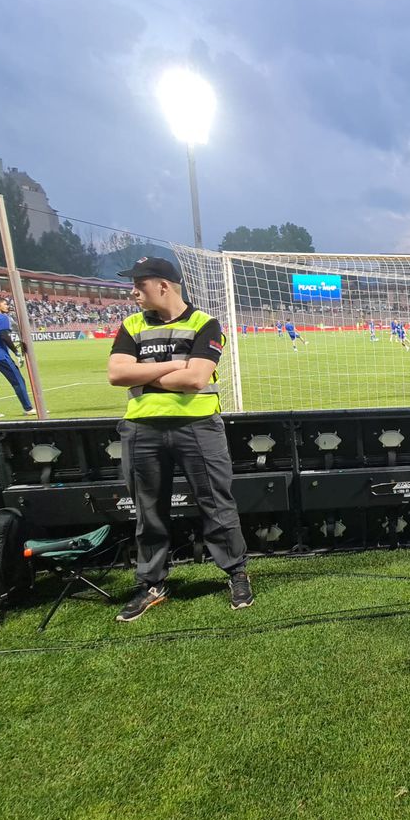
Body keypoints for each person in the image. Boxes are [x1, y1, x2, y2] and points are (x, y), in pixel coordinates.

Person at [107, 256, 253, 621]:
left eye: (139, 285)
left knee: (216, 504)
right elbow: (116, 374)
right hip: (142, 429)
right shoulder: (131, 324)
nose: (134, 292)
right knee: (148, 511)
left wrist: (142, 374)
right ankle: (152, 582)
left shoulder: (206, 324)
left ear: (163, 285)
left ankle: (236, 573)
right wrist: (174, 365)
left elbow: (195, 380)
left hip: (198, 426)